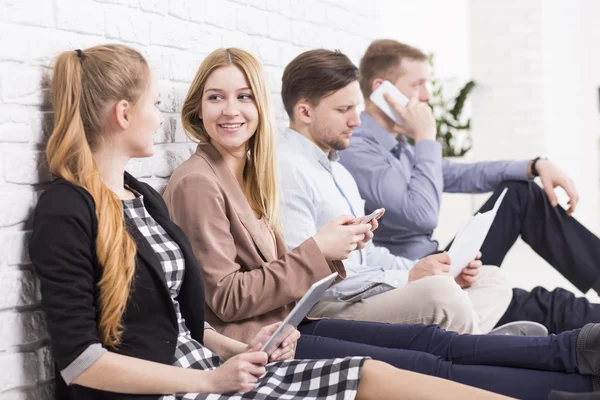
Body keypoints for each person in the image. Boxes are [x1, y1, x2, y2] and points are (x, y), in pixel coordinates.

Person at [28, 44, 515, 400]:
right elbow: (81, 361)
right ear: (123, 113)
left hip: (228, 355)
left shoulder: (142, 196)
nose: (161, 118)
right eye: (157, 105)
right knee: (418, 351)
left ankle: (556, 363)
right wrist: (214, 374)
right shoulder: (72, 209)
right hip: (188, 378)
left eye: (244, 97)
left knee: (382, 370)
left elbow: (181, 320)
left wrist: (231, 351)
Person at [163, 46, 600, 399]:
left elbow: (448, 177)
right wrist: (327, 252)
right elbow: (227, 299)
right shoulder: (209, 181)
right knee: (436, 353)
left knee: (457, 325)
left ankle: (573, 353)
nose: (231, 110)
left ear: (259, 105)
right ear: (197, 108)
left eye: (243, 97)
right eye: (216, 97)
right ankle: (571, 371)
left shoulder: (260, 172)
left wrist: (349, 252)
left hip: (293, 323)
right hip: (278, 334)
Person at [339, 39, 600, 334]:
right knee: (543, 305)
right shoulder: (358, 150)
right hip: (412, 277)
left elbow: (462, 174)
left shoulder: (399, 145)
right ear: (381, 90)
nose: (426, 95)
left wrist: (535, 165)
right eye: (417, 84)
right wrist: (425, 137)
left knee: (520, 191)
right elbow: (421, 214)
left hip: (437, 263)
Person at [277, 48, 543, 336]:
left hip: (364, 287)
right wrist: (408, 276)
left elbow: (367, 256)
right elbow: (304, 277)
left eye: (356, 108)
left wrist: (425, 268)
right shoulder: (288, 170)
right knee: (443, 296)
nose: (356, 120)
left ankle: (470, 344)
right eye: (344, 110)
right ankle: (481, 350)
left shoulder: (336, 168)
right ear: (304, 111)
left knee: (492, 280)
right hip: (328, 307)